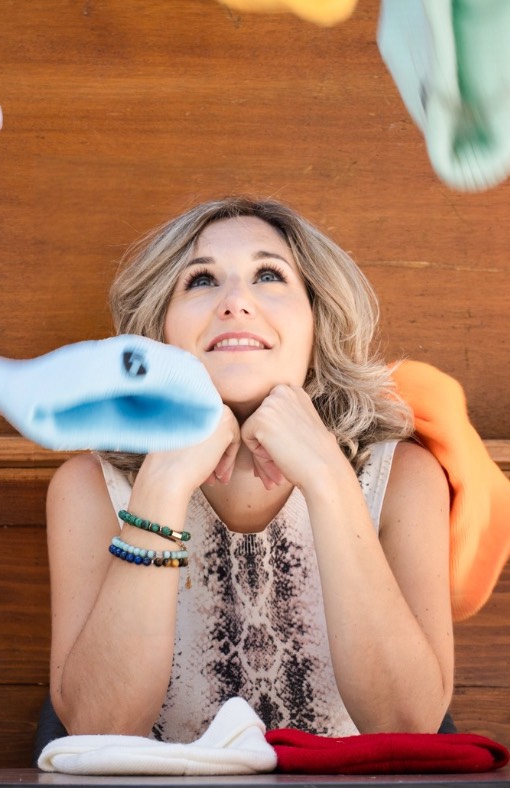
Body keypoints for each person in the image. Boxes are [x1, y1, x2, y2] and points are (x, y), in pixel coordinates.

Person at [42, 196, 454, 747]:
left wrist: (329, 479)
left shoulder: (404, 478)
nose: (235, 302)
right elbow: (100, 729)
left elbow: (408, 725)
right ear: (159, 334)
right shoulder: (89, 489)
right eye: (201, 281)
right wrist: (162, 485)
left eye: (268, 275)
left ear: (317, 322)